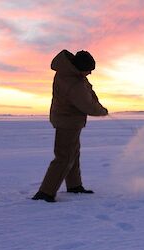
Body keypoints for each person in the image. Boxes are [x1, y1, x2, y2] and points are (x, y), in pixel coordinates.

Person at [32, 49, 108, 202]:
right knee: (64, 157)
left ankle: (74, 185)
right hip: (67, 121)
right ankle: (45, 193)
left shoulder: (70, 73)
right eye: (89, 70)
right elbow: (87, 104)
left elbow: (88, 94)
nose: (90, 73)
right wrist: (101, 111)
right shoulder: (74, 82)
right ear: (80, 67)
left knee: (73, 153)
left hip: (69, 120)